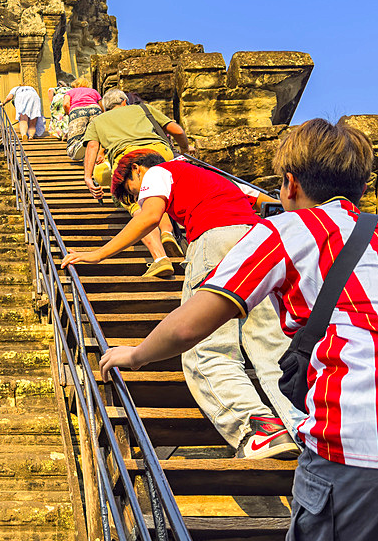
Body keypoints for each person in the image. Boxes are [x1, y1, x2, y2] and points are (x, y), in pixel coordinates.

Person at [100, 118, 378, 541]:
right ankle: (289, 426)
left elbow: (189, 328)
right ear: (363, 186)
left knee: (211, 353)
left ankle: (256, 436)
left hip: (366, 447)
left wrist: (136, 355)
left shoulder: (288, 229)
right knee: (270, 348)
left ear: (289, 184)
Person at [64, 150, 301, 457]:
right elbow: (260, 199)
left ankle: (257, 427)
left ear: (136, 170)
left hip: (214, 240)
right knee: (271, 346)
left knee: (207, 348)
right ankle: (299, 427)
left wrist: (98, 254)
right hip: (258, 242)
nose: (134, 198)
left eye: (129, 191)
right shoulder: (211, 175)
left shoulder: (158, 173)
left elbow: (149, 217)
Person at [82, 88, 190, 277]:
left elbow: (92, 146)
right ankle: (167, 233)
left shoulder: (98, 121)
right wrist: (185, 149)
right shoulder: (143, 109)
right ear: (125, 102)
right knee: (157, 196)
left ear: (105, 109)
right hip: (159, 153)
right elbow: (176, 130)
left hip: (130, 160)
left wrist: (88, 176)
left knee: (139, 206)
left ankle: (160, 259)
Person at [62, 78, 103, 161]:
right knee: (96, 133)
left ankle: (77, 147)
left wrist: (69, 113)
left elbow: (66, 104)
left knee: (76, 134)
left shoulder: (70, 92)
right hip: (94, 109)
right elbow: (101, 104)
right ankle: (98, 153)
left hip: (78, 110)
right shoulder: (93, 91)